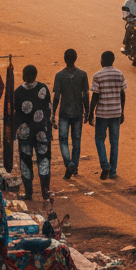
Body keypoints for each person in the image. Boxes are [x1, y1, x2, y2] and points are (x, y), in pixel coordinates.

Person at [15, 65, 52, 203]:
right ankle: (45, 192)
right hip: (42, 132)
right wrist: (49, 130)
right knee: (44, 161)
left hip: (25, 134)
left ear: (23, 76)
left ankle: (29, 193)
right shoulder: (43, 88)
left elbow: (16, 115)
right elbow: (48, 110)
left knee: (26, 162)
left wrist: (14, 132)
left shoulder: (18, 92)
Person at [52, 49, 89, 180]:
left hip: (64, 113)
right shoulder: (82, 75)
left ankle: (69, 163)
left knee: (63, 140)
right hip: (78, 112)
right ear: (76, 58)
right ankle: (75, 167)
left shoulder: (60, 76)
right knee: (76, 140)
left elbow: (56, 97)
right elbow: (85, 95)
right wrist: (87, 110)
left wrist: (52, 114)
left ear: (64, 59)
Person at [89, 51, 126, 180]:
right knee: (114, 142)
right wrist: (122, 111)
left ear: (102, 61)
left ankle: (105, 164)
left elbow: (95, 95)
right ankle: (113, 171)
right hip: (116, 112)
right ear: (113, 60)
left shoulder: (98, 75)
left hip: (102, 113)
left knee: (99, 139)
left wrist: (90, 112)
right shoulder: (119, 74)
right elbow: (122, 94)